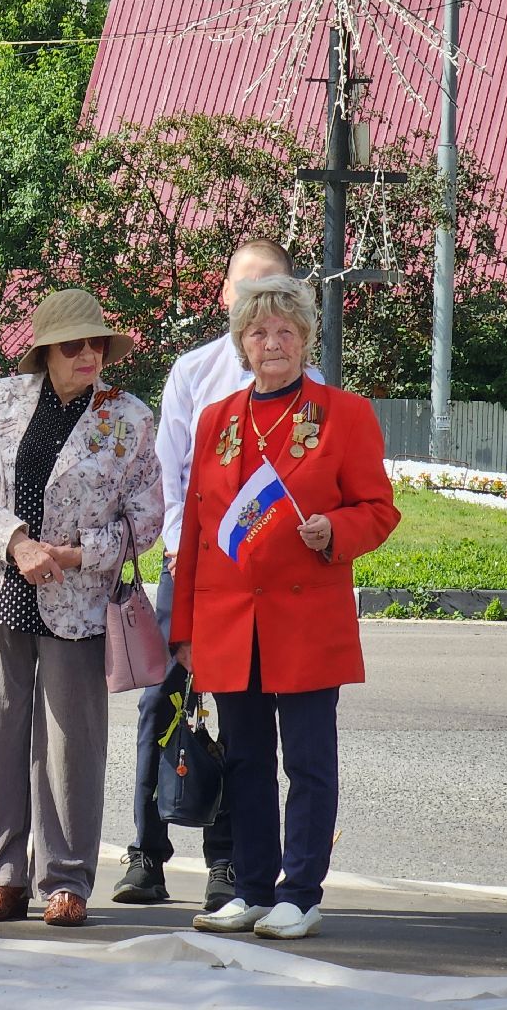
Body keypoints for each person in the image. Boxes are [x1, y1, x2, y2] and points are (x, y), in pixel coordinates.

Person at [172, 275, 399, 939]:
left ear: (304, 339)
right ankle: (249, 887)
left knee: (307, 762)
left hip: (305, 620)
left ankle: (300, 893)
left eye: (285, 331)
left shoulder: (343, 414)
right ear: (241, 342)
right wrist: (183, 628)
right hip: (228, 621)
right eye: (259, 332)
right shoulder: (217, 420)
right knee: (244, 762)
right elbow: (195, 531)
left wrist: (335, 531)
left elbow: (379, 509)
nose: (272, 343)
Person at [0, 288, 162, 927]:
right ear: (46, 351)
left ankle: (65, 881)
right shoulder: (1, 400)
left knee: (72, 744)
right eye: (74, 344)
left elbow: (144, 522)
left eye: (97, 343)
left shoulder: (129, 417)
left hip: (79, 600)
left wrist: (71, 556)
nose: (89, 354)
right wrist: (16, 544)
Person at [114, 238, 298, 911]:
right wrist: (175, 560)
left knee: (242, 712)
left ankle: (227, 863)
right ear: (224, 296)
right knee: (161, 700)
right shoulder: (194, 374)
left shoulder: (308, 382)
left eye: (274, 288)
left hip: (266, 577)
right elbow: (170, 477)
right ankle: (146, 852)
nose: (260, 304)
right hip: (190, 562)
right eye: (247, 289)